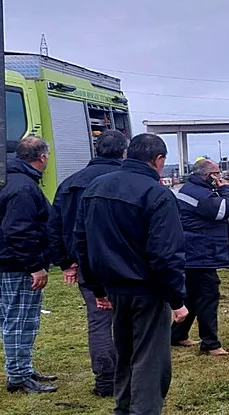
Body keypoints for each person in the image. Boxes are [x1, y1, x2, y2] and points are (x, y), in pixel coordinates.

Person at [74, 133, 188, 415]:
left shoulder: (95, 188)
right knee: (150, 361)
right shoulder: (157, 194)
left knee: (124, 354)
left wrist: (97, 289)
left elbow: (81, 242)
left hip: (113, 289)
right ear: (158, 160)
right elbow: (165, 254)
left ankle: (123, 408)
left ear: (127, 155)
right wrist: (177, 300)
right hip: (147, 291)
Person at [47, 130, 127, 397]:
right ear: (122, 152)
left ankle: (106, 382)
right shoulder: (125, 181)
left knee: (99, 320)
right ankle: (131, 377)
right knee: (129, 319)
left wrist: (66, 262)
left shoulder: (70, 183)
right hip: (124, 263)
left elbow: (55, 226)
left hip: (85, 264)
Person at [0, 137, 57, 394]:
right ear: (42, 157)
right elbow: (19, 231)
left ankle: (23, 366)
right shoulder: (23, 187)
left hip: (10, 261)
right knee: (20, 320)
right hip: (18, 264)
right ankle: (19, 376)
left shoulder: (12, 179)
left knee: (17, 318)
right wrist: (35, 265)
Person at [171, 159, 229, 356]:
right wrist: (227, 190)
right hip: (200, 254)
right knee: (208, 296)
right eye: (218, 173)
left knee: (191, 296)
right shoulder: (199, 193)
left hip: (193, 253)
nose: (221, 176)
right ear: (209, 175)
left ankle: (177, 335)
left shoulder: (191, 189)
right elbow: (222, 210)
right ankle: (210, 344)